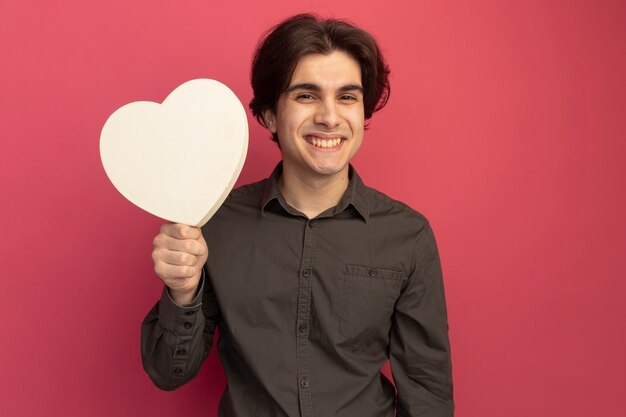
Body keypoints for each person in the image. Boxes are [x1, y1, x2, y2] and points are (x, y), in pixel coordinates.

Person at [141, 13, 454, 417]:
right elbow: (168, 373)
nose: (329, 116)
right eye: (306, 95)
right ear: (270, 115)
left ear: (363, 114)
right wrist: (182, 293)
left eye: (347, 97)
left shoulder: (408, 236)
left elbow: (427, 389)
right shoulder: (216, 224)